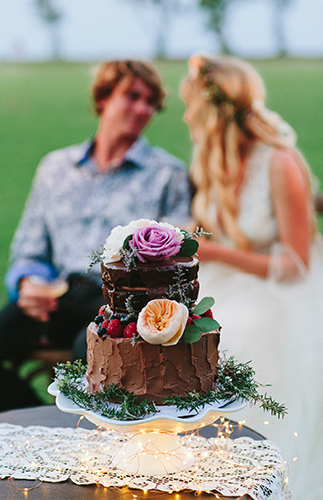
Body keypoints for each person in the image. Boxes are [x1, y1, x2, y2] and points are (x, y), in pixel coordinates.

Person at [0, 59, 191, 410]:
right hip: (56, 296)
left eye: (151, 102)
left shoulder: (168, 174)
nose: (142, 108)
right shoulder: (55, 168)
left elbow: (174, 261)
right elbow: (29, 248)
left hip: (119, 304)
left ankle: (79, 444)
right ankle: (25, 424)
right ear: (103, 98)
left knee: (90, 351)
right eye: (132, 96)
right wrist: (28, 284)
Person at [181, 54, 323, 499]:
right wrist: (184, 238)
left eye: (190, 106)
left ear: (211, 110)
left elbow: (296, 263)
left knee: (239, 331)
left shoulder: (280, 163)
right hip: (226, 280)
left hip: (283, 289)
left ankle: (258, 475)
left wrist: (212, 249)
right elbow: (210, 229)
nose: (185, 116)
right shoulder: (210, 162)